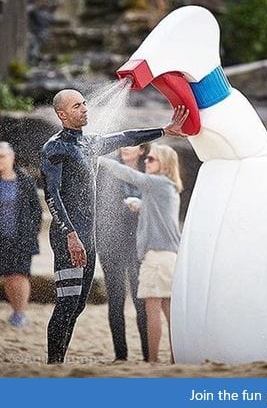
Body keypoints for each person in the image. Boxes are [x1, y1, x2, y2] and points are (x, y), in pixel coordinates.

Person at [40, 89, 188, 364]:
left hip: (89, 237)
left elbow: (126, 136)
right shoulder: (55, 147)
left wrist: (164, 130)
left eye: (85, 103)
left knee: (78, 305)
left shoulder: (90, 143)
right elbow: (52, 194)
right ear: (62, 115)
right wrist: (71, 235)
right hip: (67, 237)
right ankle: (54, 364)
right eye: (77, 106)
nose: (85, 109)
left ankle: (57, 361)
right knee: (67, 303)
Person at [99, 143, 183, 363]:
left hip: (157, 255)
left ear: (164, 163)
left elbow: (128, 174)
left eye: (151, 159)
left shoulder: (158, 183)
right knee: (162, 308)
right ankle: (166, 360)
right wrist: (139, 203)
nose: (147, 162)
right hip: (152, 253)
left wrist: (97, 157)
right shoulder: (164, 186)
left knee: (153, 308)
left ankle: (154, 361)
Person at [95, 144, 150, 362]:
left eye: (133, 144)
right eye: (124, 144)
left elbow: (161, 203)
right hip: (112, 244)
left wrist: (142, 206)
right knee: (116, 301)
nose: (126, 148)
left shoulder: (150, 171)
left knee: (141, 301)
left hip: (140, 246)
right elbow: (100, 205)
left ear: (143, 150)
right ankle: (121, 355)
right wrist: (122, 206)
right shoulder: (108, 171)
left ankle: (149, 355)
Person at [0, 141, 42, 328]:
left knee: (19, 275)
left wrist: (31, 233)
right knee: (8, 277)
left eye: (2, 157)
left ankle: (19, 313)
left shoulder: (24, 181)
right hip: (1, 239)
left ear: (12, 157)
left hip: (20, 238)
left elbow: (36, 211)